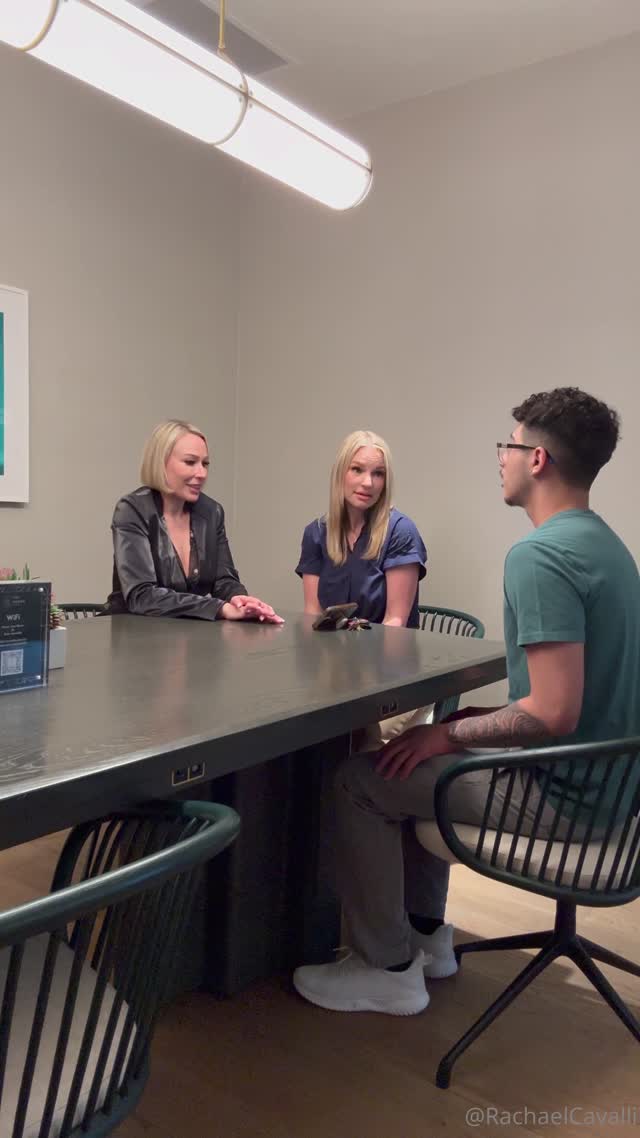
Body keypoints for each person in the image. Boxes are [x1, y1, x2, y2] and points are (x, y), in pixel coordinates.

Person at [293, 387, 640, 1016]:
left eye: (509, 445)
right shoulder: (609, 548)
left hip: (566, 797)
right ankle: (427, 938)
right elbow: (568, 701)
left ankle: (385, 968)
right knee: (414, 758)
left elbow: (552, 713)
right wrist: (475, 721)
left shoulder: (540, 556)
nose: (501, 458)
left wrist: (446, 735)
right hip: (614, 791)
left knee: (359, 781)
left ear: (537, 460)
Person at [106, 420, 282, 624]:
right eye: (190, 462)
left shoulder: (212, 512)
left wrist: (239, 599)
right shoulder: (132, 509)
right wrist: (220, 608)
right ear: (160, 463)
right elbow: (142, 595)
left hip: (189, 634)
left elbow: (223, 580)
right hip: (133, 633)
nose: (202, 474)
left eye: (205, 464)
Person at [296, 429, 427, 629]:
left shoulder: (400, 531)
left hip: (387, 647)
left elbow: (395, 623)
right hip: (331, 648)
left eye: (378, 473)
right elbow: (313, 614)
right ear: (340, 473)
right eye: (357, 470)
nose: (368, 483)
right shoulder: (316, 533)